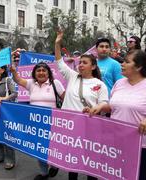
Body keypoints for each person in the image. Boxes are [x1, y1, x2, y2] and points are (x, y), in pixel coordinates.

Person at [90, 50, 146, 180]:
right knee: (114, 175)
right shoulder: (119, 83)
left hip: (141, 145)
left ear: (138, 67)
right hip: (115, 142)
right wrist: (99, 107)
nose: (122, 64)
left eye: (127, 62)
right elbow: (113, 107)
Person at [55, 30, 108, 180]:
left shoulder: (99, 84)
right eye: (79, 63)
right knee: (73, 161)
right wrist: (57, 43)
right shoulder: (72, 76)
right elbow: (59, 61)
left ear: (93, 66)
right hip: (71, 128)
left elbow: (105, 104)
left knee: (90, 161)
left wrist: (95, 109)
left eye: (84, 63)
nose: (80, 65)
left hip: (90, 129)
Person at [10, 62, 64, 180]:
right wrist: (14, 71)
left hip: (52, 123)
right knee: (39, 148)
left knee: (52, 147)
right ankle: (44, 173)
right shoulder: (31, 84)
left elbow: (66, 100)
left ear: (48, 73)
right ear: (34, 73)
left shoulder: (55, 84)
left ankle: (54, 165)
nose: (41, 73)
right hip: (36, 124)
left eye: (43, 70)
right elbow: (18, 80)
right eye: (38, 70)